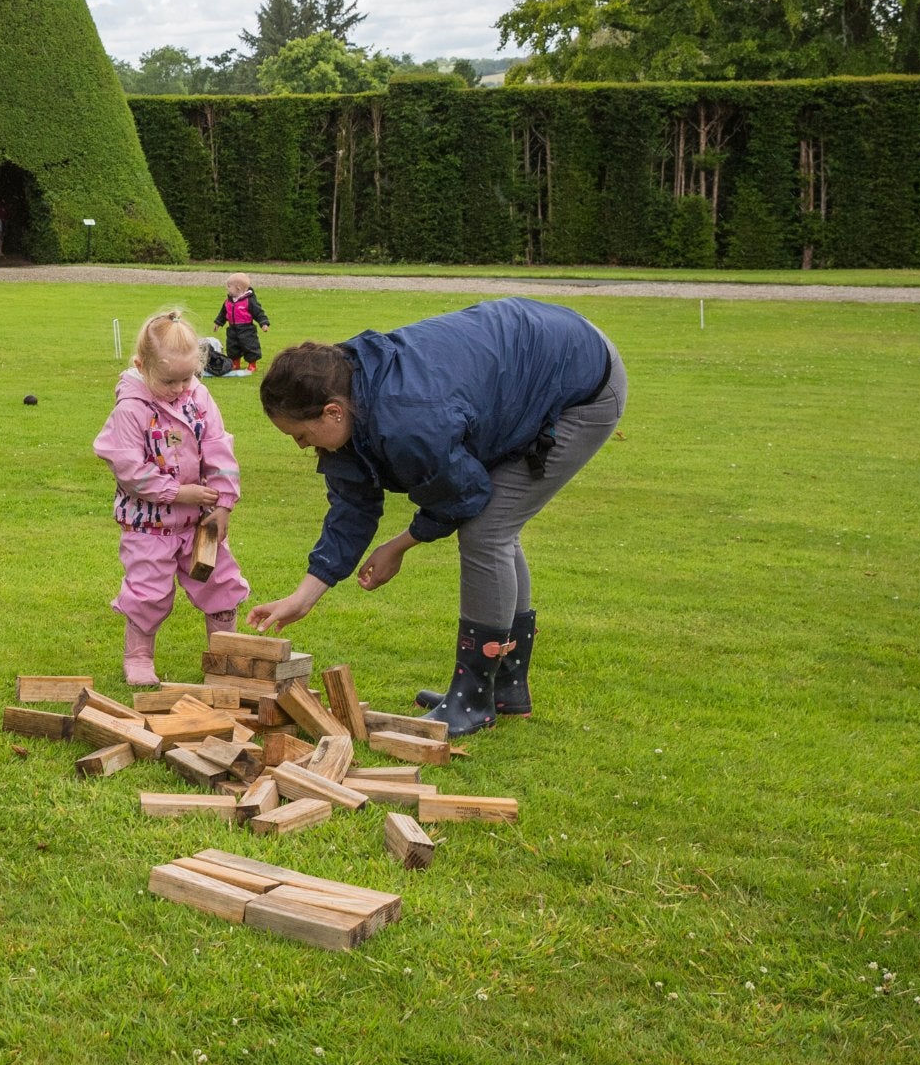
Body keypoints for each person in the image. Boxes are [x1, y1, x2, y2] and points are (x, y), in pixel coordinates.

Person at [243, 298, 626, 736]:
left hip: (579, 383)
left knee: (488, 531)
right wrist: (304, 595)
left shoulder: (408, 420)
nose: (301, 446)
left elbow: (465, 493)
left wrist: (400, 545)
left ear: (333, 411)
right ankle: (507, 687)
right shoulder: (347, 389)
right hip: (522, 364)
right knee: (496, 529)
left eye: (302, 435)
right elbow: (353, 504)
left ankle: (474, 698)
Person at [94, 309, 251, 687]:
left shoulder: (198, 396)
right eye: (170, 381)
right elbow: (128, 469)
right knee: (148, 592)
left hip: (200, 521)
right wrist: (179, 493)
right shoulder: (130, 410)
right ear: (141, 365)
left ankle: (223, 658)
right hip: (149, 526)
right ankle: (138, 658)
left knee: (220, 584)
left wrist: (224, 503)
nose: (181, 388)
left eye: (188, 377)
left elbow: (217, 446)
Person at [214, 274, 267, 372]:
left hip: (247, 329)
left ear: (238, 288)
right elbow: (223, 313)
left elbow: (258, 312)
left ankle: (252, 364)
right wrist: (218, 323)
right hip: (232, 328)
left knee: (250, 346)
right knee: (232, 346)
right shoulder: (228, 301)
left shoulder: (249, 301)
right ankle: (235, 363)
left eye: (229, 287)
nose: (227, 289)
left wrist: (263, 323)